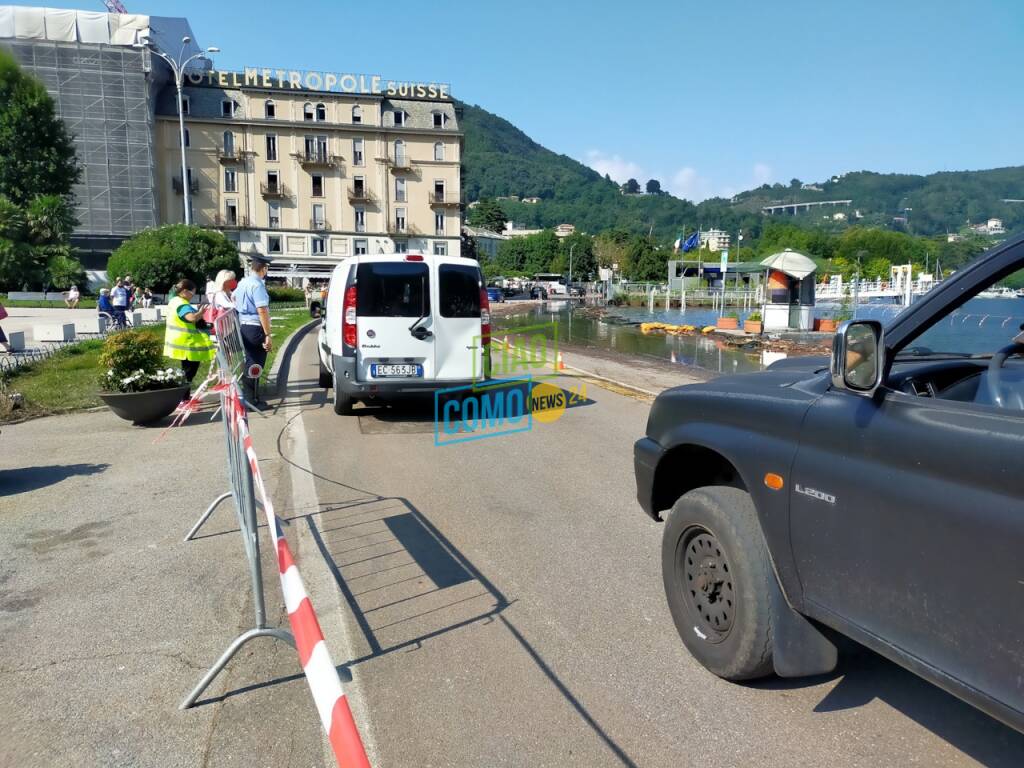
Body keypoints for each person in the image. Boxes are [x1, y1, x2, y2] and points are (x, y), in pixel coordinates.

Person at [233, 253, 274, 409]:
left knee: (251, 360)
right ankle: (251, 400)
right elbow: (262, 310)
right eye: (266, 269)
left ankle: (251, 398)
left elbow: (234, 300)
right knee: (255, 364)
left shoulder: (243, 283)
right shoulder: (257, 285)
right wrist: (268, 334)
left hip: (244, 325)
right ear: (264, 269)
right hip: (255, 326)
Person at [164, 278, 215, 384]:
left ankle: (184, 396)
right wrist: (200, 313)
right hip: (188, 343)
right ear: (185, 291)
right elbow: (191, 318)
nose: (193, 295)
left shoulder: (174, 301)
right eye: (192, 293)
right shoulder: (182, 304)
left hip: (181, 341)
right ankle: (184, 397)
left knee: (187, 371)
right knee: (189, 372)